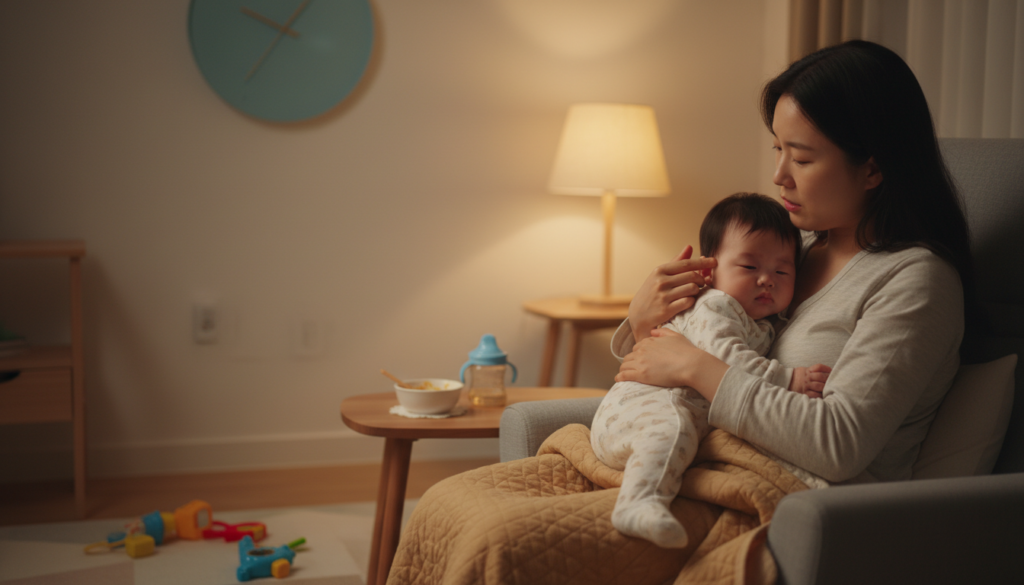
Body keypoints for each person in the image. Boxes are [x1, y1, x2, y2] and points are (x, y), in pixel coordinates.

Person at [614, 39, 975, 486]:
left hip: (798, 509)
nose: (779, 176)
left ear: (872, 170)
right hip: (700, 471)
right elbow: (684, 357)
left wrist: (695, 366)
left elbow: (838, 444)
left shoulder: (917, 281)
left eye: (801, 158)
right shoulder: (789, 248)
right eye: (778, 150)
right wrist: (643, 322)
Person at [591, 193, 831, 549]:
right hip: (644, 408)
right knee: (670, 429)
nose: (767, 279)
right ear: (709, 270)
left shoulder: (763, 322)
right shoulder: (717, 307)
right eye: (749, 267)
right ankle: (638, 504)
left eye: (782, 270)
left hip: (664, 412)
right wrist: (787, 378)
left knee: (678, 431)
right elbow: (726, 359)